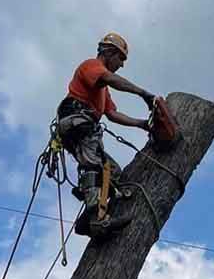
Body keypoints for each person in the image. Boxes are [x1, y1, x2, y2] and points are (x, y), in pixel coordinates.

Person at [56, 33, 156, 235]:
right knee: (92, 164)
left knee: (113, 174)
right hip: (76, 121)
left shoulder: (102, 91)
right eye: (120, 59)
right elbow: (110, 78)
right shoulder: (90, 66)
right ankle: (97, 220)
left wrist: (143, 124)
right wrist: (143, 93)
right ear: (109, 52)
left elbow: (112, 114)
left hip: (83, 126)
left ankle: (86, 220)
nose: (121, 65)